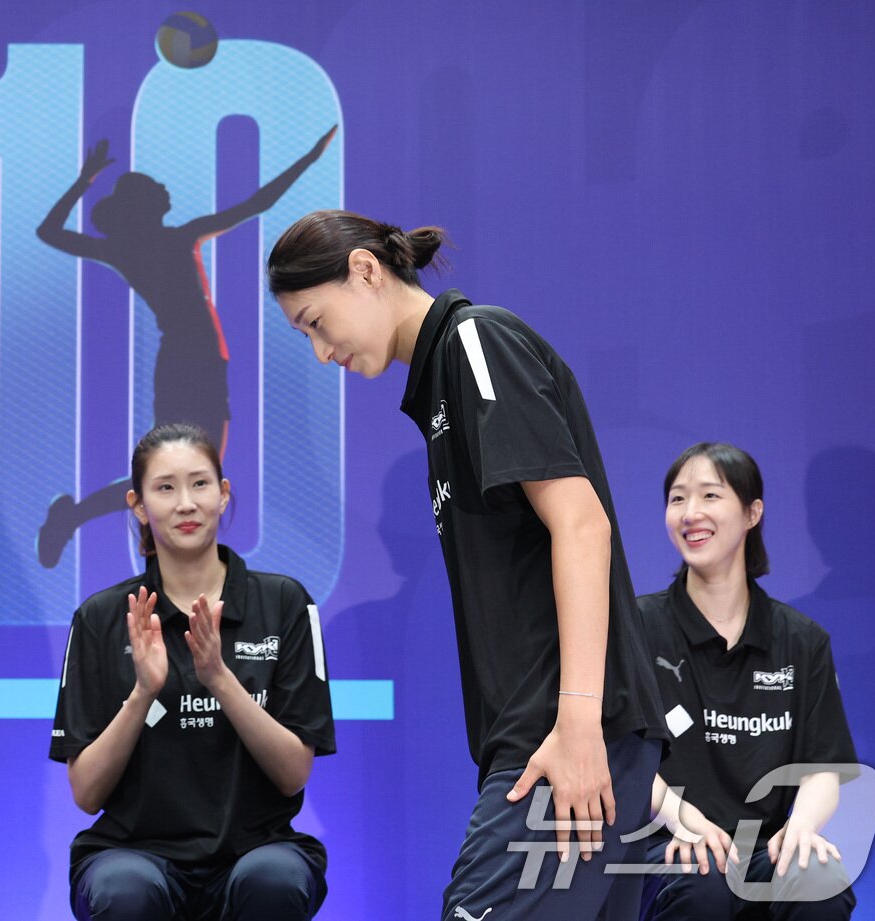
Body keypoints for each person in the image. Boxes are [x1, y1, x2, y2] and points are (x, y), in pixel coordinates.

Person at [267, 210, 667, 918]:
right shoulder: (438, 387)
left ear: (365, 270)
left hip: (561, 733)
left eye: (317, 323)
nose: (322, 352)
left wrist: (578, 724)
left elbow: (582, 525)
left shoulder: (474, 342)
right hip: (549, 733)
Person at [49, 422, 334, 920]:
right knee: (123, 890)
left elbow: (293, 775)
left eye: (200, 484)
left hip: (256, 849)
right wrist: (143, 692)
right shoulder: (102, 618)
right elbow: (86, 794)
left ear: (223, 495)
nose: (185, 503)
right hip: (133, 852)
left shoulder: (283, 603)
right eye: (165, 488)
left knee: (275, 880)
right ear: (138, 505)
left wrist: (218, 677)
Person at [34, 127, 335, 568]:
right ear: (144, 206)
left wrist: (85, 180)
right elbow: (257, 203)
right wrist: (308, 157)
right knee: (185, 474)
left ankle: (88, 524)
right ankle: (106, 534)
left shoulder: (130, 249)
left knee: (188, 474)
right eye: (157, 190)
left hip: (196, 361)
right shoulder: (167, 240)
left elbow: (49, 231)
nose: (166, 192)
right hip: (189, 361)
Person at [638, 442, 856, 919]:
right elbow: (622, 757)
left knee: (820, 883)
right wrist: (682, 819)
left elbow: (823, 766)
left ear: (752, 513)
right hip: (666, 845)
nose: (690, 513)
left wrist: (801, 827)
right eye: (677, 499)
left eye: (710, 495)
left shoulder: (802, 641)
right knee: (703, 886)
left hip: (763, 851)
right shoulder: (637, 629)